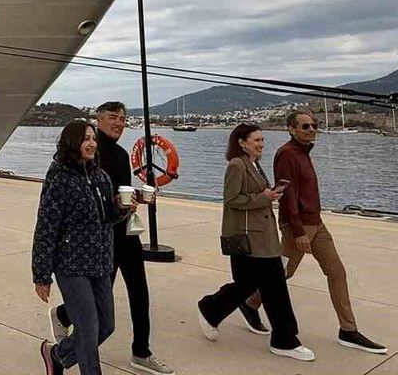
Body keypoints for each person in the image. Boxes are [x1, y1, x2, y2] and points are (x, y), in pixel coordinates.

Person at [241, 109, 388, 354]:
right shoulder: (287, 154)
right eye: (305, 126)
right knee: (280, 274)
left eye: (314, 125)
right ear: (291, 129)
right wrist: (298, 232)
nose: (312, 129)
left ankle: (348, 330)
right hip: (298, 226)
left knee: (336, 272)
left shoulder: (303, 152)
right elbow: (288, 196)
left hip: (316, 223)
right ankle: (246, 303)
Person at [50, 103, 174, 374]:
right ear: (99, 119)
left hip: (125, 233)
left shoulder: (119, 153)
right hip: (101, 240)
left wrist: (135, 198)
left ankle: (141, 351)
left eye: (123, 118)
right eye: (112, 117)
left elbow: (116, 195)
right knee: (97, 310)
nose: (119, 123)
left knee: (139, 291)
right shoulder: (87, 156)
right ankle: (64, 319)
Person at [197, 122, 314, 362]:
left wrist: (270, 194)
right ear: (242, 143)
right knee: (274, 287)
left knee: (247, 284)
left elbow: (252, 196)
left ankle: (211, 309)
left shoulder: (254, 164)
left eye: (262, 140)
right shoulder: (236, 165)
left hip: (262, 236)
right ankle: (285, 340)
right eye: (257, 140)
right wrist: (264, 197)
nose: (261, 144)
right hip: (250, 238)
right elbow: (232, 200)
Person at [33, 121, 134, 375]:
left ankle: (56, 355)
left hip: (99, 262)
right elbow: (46, 227)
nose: (92, 144)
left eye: (93, 139)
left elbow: (107, 218)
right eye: (85, 139)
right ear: (72, 143)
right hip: (71, 264)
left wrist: (122, 208)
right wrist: (41, 275)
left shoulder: (101, 177)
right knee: (88, 331)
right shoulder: (60, 179)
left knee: (106, 326)